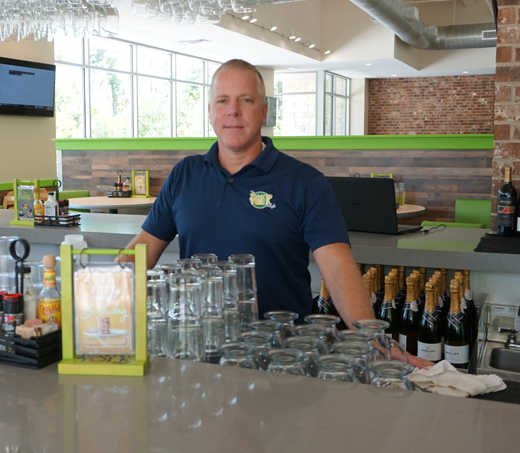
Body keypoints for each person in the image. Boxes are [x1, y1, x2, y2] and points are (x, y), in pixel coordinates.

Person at [125, 59, 431, 368]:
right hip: (198, 356)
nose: (233, 110)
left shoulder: (305, 182)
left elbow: (337, 266)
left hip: (281, 359)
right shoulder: (184, 175)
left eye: (245, 100)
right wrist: (92, 296)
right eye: (222, 101)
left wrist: (372, 338)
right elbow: (140, 252)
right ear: (209, 111)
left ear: (264, 110)